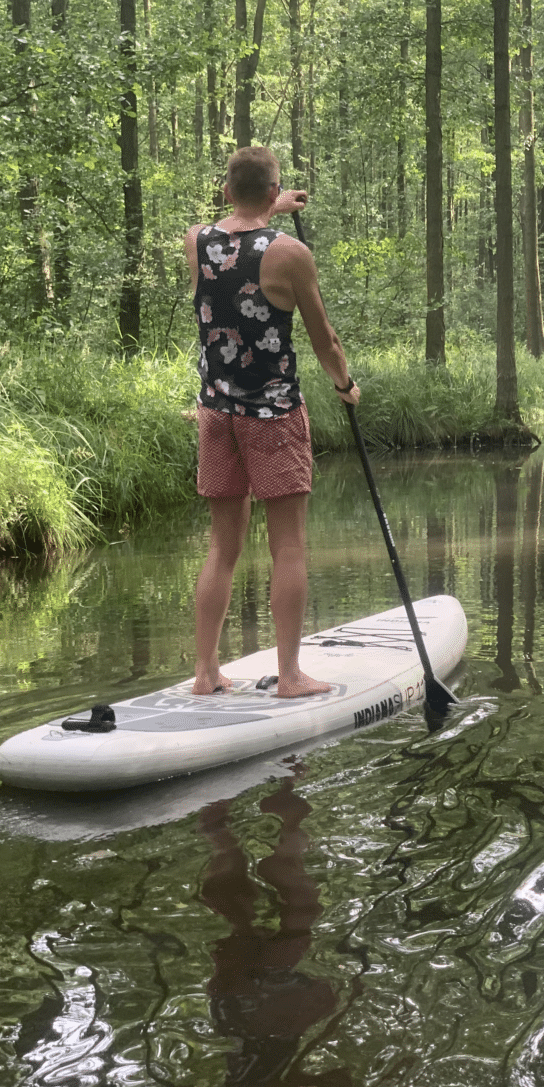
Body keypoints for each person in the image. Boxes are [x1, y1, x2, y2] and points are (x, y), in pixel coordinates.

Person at [185, 145, 359, 698]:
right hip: (274, 413)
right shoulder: (290, 254)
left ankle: (206, 672)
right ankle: (289, 676)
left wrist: (266, 206)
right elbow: (324, 339)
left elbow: (238, 235)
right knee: (288, 547)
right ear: (271, 191)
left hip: (216, 412)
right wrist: (344, 385)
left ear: (228, 190)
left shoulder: (196, 242)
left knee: (221, 547)